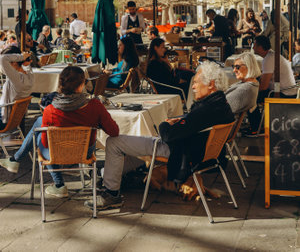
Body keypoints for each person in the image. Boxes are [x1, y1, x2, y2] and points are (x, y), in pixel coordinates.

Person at [85, 61, 234, 211]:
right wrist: (182, 120)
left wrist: (165, 123)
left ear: (211, 84)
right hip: (197, 152)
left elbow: (168, 135)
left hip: (179, 152)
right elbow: (192, 124)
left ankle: (112, 194)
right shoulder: (220, 104)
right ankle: (109, 174)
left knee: (114, 142)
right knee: (134, 141)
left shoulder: (206, 109)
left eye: (196, 82)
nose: (193, 86)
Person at [0, 66, 119, 198]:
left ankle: (58, 184)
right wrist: (99, 122)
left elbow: (45, 142)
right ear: (80, 86)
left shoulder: (50, 110)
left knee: (39, 134)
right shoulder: (95, 106)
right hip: (84, 152)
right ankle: (15, 160)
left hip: (56, 154)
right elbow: (114, 131)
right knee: (40, 125)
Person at [248, 35, 298, 134]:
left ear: (261, 47)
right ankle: (257, 126)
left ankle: (256, 128)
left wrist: (250, 89)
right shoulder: (271, 56)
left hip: (283, 93)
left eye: (255, 45)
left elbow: (264, 86)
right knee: (251, 93)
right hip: (289, 89)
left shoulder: (268, 59)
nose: (253, 47)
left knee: (249, 97)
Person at [0, 46, 33, 129]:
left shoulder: (16, 78)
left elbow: (2, 59)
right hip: (17, 119)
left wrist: (21, 57)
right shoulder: (29, 75)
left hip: (5, 119)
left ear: (14, 62)